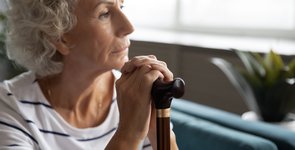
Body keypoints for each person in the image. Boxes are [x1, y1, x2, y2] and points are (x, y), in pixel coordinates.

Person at [0, 0, 178, 149]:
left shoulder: (135, 94)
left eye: (121, 7)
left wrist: (160, 132)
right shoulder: (10, 107)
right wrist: (128, 133)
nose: (128, 27)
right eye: (105, 13)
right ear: (59, 37)